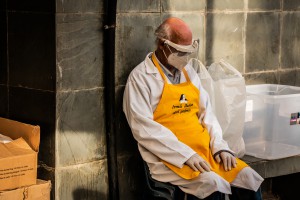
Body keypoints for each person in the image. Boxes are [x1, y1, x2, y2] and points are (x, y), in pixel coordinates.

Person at [123, 17, 263, 199]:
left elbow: (208, 115)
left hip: (206, 151)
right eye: (180, 52)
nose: (185, 58)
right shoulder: (141, 78)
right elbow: (143, 129)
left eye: (188, 53)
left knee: (249, 178)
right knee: (214, 184)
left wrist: (220, 147)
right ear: (162, 45)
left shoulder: (189, 72)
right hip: (171, 157)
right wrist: (185, 155)